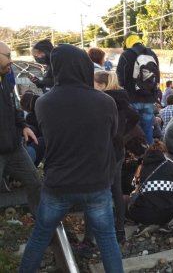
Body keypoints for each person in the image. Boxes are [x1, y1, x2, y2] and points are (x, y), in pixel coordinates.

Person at [19, 44, 123, 272]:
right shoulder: (106, 102)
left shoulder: (43, 103)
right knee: (107, 240)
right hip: (96, 184)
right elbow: (113, 134)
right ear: (84, 68)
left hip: (58, 185)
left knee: (39, 236)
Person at [93, 70, 140, 242]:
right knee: (116, 189)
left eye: (94, 84)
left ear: (101, 85)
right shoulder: (121, 98)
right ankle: (120, 229)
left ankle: (94, 233)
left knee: (99, 189)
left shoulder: (102, 100)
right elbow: (135, 116)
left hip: (104, 150)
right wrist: (122, 134)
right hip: (118, 149)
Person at [0, 41, 41, 214]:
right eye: (8, 56)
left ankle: (43, 224)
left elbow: (14, 108)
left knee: (35, 182)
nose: (11, 60)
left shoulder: (5, 81)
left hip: (13, 148)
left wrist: (23, 125)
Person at [116, 32, 160, 145]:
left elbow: (120, 78)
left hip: (131, 98)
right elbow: (157, 77)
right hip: (149, 99)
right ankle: (150, 154)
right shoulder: (152, 54)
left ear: (127, 42)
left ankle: (136, 156)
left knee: (133, 131)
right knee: (148, 130)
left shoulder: (126, 55)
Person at [128, 140, 173, 225]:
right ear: (164, 153)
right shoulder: (172, 167)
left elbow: (133, 186)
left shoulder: (141, 167)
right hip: (167, 216)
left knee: (125, 200)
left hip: (146, 215)